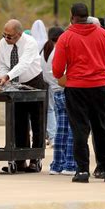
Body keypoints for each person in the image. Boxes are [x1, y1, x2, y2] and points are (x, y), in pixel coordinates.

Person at [52, 2, 105, 183]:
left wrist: (66, 75)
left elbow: (57, 69)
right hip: (99, 86)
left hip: (76, 88)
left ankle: (82, 170)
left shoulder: (66, 37)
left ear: (72, 17)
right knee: (102, 127)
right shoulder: (103, 34)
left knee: (80, 129)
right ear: (88, 16)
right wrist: (100, 72)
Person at [0, 19, 46, 173]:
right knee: (19, 122)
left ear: (18, 35)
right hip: (14, 84)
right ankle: (19, 160)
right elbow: (2, 64)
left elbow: (23, 64)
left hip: (33, 82)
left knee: (37, 122)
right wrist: (2, 76)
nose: (6, 39)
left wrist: (7, 77)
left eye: (9, 36)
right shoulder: (3, 43)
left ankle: (35, 159)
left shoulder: (30, 42)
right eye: (4, 35)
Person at [43, 26, 77, 176]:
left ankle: (57, 164)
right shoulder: (59, 51)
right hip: (65, 90)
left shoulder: (45, 52)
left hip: (55, 92)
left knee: (60, 129)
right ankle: (70, 163)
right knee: (71, 129)